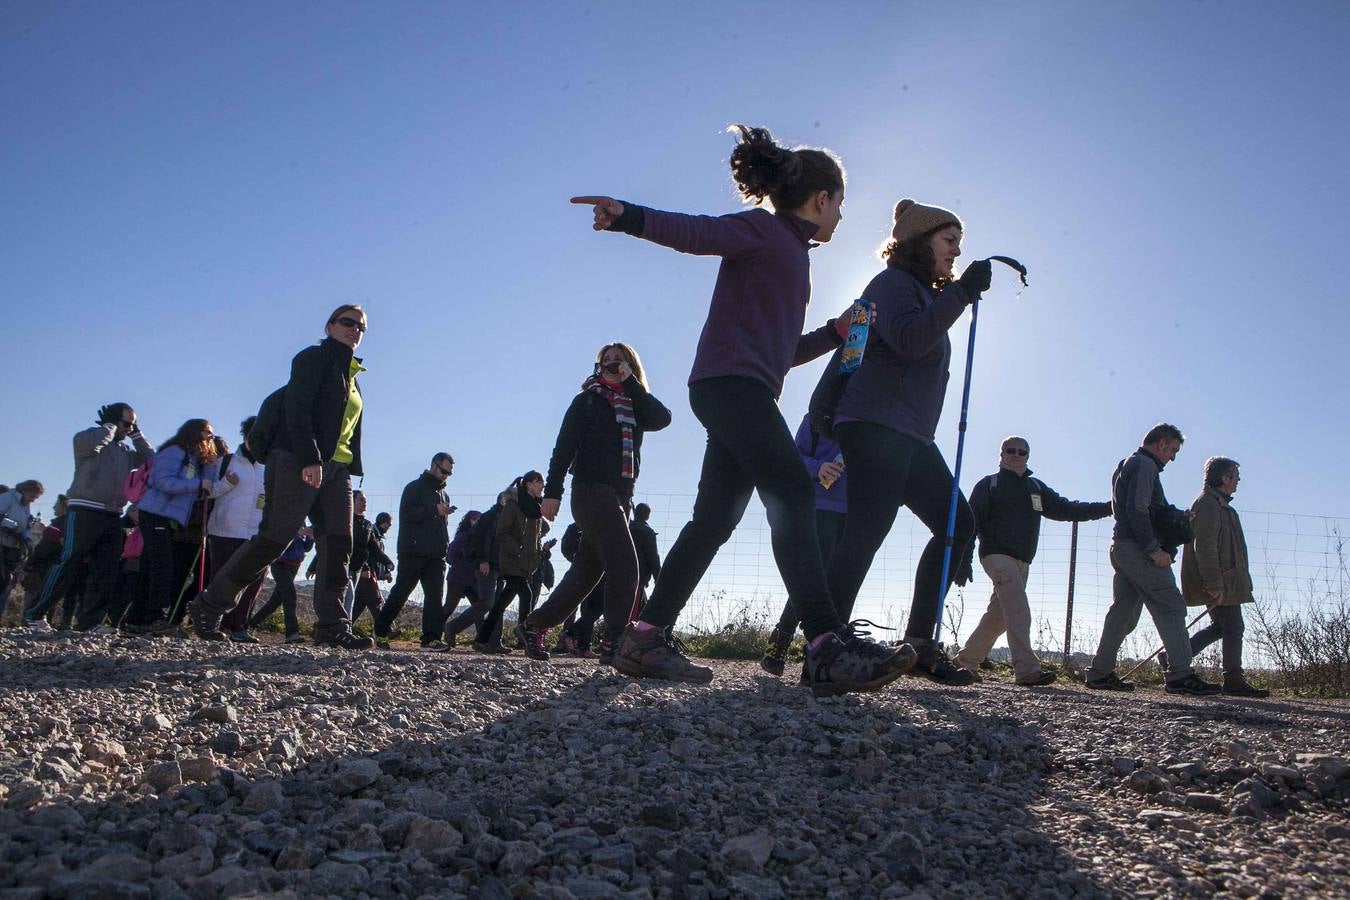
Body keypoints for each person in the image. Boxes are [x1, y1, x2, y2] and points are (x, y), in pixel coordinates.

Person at [572, 124, 912, 694]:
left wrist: (834, 332)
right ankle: (826, 644)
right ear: (822, 199)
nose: (842, 218)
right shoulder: (765, 229)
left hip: (740, 390)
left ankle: (645, 636)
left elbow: (781, 357)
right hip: (730, 389)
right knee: (795, 491)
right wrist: (627, 215)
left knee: (714, 520)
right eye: (841, 205)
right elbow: (698, 233)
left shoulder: (794, 256)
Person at [817, 199, 993, 685]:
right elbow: (910, 341)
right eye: (949, 240)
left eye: (959, 242)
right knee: (869, 529)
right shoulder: (892, 284)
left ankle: (918, 646)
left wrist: (952, 296)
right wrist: (959, 294)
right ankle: (826, 648)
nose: (957, 251)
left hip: (908, 432)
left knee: (956, 522)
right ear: (921, 240)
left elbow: (875, 345)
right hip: (875, 423)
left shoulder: (918, 291)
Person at [190, 305, 372, 649]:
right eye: (347, 322)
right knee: (276, 537)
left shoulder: (353, 375)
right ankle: (209, 604)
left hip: (339, 469)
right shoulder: (312, 359)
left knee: (338, 544)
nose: (355, 330)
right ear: (329, 325)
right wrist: (310, 458)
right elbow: (297, 410)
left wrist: (341, 466)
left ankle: (332, 624)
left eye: (361, 327)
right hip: (298, 459)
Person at [516, 343, 672, 662]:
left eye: (619, 361)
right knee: (626, 565)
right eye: (606, 362)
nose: (612, 366)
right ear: (597, 367)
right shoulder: (587, 400)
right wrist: (553, 492)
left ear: (631, 366)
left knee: (588, 571)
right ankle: (617, 642)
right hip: (589, 490)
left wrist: (631, 383)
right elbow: (563, 449)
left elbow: (662, 418)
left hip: (620, 497)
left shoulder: (635, 403)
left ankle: (534, 625)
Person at [953, 437, 1112, 686]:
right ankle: (1027, 671)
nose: (1016, 455)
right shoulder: (989, 485)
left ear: (1028, 456)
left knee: (999, 617)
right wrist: (963, 559)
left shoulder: (1036, 487)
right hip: (996, 555)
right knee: (1018, 610)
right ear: (1001, 454)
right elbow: (970, 522)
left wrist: (1109, 507)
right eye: (1010, 451)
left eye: (1022, 452)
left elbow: (1066, 509)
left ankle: (965, 663)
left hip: (1022, 561)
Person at [1086, 424, 1221, 695]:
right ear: (1161, 444)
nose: (1171, 457)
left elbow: (1133, 509)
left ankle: (1100, 673)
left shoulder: (1127, 463)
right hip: (1139, 549)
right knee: (1171, 606)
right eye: (1172, 450)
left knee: (1122, 612)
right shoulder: (1145, 467)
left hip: (1122, 547)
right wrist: (1152, 548)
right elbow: (1138, 509)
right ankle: (1180, 675)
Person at [24, 403, 153, 629]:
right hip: (84, 510)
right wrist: (110, 428)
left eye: (133, 425)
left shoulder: (125, 453)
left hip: (113, 514)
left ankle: (89, 623)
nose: (129, 428)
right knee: (69, 562)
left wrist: (136, 434)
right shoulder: (86, 440)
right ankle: (35, 613)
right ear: (112, 421)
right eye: (126, 424)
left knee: (107, 569)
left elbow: (151, 459)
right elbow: (95, 443)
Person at [762, 413, 847, 676]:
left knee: (832, 582)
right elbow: (793, 456)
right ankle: (784, 639)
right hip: (820, 506)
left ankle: (824, 651)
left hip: (853, 513)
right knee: (813, 579)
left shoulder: (872, 418)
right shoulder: (816, 416)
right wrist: (817, 467)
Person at [1177, 457, 1268, 697]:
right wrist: (1215, 584)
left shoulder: (1220, 505)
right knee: (1234, 626)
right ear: (1224, 478)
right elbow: (1204, 546)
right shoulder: (1208, 504)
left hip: (1225, 579)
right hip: (1218, 581)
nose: (1238, 481)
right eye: (1235, 476)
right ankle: (1233, 679)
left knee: (1221, 626)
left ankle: (1176, 656)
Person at [126, 420, 220, 631]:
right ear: (196, 432)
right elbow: (162, 481)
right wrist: (197, 484)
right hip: (155, 513)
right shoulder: (174, 452)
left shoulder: (194, 459)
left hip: (169, 518)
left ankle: (138, 617)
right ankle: (155, 616)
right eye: (208, 433)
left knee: (151, 565)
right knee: (162, 566)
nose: (210, 438)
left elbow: (206, 488)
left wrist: (211, 467)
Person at [374, 453, 456, 650]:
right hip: (413, 550)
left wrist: (445, 544)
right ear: (433, 465)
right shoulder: (413, 488)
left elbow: (441, 524)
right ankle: (381, 631)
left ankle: (431, 639)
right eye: (444, 471)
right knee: (401, 593)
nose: (445, 476)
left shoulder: (444, 494)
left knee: (435, 596)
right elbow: (407, 514)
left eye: (449, 473)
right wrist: (433, 510)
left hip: (436, 554)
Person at [206, 418, 268, 642]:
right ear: (245, 436)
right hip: (224, 530)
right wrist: (225, 485)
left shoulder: (270, 467)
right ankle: (212, 623)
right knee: (220, 579)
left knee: (252, 583)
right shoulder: (225, 462)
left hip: (257, 534)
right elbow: (207, 492)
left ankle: (239, 626)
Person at [478, 472, 548, 652]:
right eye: (538, 481)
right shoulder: (513, 505)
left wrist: (538, 551)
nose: (542, 485)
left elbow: (540, 532)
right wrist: (518, 550)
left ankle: (482, 638)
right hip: (512, 560)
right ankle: (527, 639)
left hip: (527, 563)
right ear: (528, 485)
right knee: (526, 594)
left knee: (501, 603)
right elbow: (501, 532)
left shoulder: (536, 508)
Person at [248, 528, 313, 641]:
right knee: (290, 596)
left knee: (275, 602)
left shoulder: (301, 522)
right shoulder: (287, 520)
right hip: (280, 565)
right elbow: (280, 538)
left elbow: (306, 548)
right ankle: (292, 633)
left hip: (294, 567)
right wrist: (297, 532)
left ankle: (251, 625)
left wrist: (310, 538)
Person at [350, 490, 393, 628]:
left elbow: (373, 548)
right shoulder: (344, 522)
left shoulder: (367, 525)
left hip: (362, 570)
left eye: (365, 500)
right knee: (372, 600)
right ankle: (385, 629)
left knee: (357, 603)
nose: (364, 502)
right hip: (347, 568)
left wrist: (387, 563)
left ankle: (341, 629)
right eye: (361, 499)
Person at [439, 510, 481, 647]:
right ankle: (435, 634)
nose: (477, 521)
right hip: (459, 577)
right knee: (450, 607)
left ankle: (481, 639)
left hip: (472, 579)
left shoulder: (477, 537)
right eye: (475, 518)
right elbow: (450, 556)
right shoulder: (463, 536)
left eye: (479, 519)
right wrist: (463, 565)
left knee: (479, 607)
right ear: (468, 520)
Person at [0, 480, 44, 607]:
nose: (33, 500)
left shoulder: (24, 505)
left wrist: (28, 539)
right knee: (3, 579)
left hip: (11, 546)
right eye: (32, 496)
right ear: (25, 491)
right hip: (2, 542)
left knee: (5, 580)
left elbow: (25, 526)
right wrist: (13, 526)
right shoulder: (7, 498)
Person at [630, 502, 661, 619]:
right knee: (633, 615)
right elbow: (654, 559)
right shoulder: (648, 532)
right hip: (638, 579)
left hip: (615, 576)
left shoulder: (625, 528)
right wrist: (658, 579)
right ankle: (625, 636)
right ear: (648, 515)